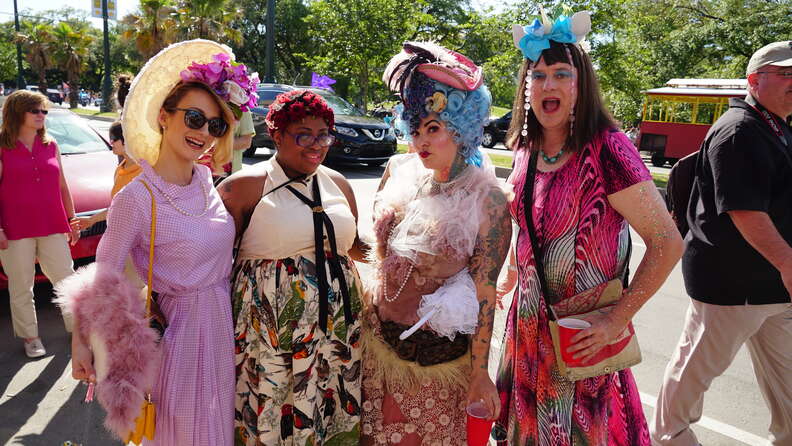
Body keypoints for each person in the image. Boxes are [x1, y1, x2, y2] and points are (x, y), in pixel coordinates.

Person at [493, 12, 683, 445]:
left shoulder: (607, 149)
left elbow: (667, 242)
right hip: (528, 335)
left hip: (581, 339)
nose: (548, 85)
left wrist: (617, 319)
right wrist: (510, 274)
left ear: (582, 85)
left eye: (562, 73)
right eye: (537, 75)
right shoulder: (526, 150)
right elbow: (529, 230)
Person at [59, 40, 258, 445]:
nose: (203, 132)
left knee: (215, 429)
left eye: (215, 125)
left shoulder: (206, 181)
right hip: (178, 336)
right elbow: (104, 274)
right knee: (181, 433)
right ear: (164, 117)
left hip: (222, 328)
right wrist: (81, 343)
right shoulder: (136, 197)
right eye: (194, 118)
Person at [359, 42, 511, 446]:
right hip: (376, 350)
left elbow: (485, 295)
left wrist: (480, 373)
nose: (421, 140)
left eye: (434, 128)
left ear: (461, 128)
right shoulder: (404, 173)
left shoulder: (487, 201)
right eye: (416, 127)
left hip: (433, 369)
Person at [651, 40, 792, 446]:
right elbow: (745, 211)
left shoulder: (777, 127)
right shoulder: (739, 130)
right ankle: (669, 439)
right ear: (754, 80)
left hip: (774, 289)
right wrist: (788, 263)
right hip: (731, 288)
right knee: (686, 386)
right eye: (785, 74)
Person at [218, 89, 366, 445]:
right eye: (303, 134)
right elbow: (212, 263)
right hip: (271, 336)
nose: (316, 145)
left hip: (339, 332)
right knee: (274, 417)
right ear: (277, 134)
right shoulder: (244, 188)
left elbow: (355, 248)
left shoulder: (338, 183)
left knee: (331, 411)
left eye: (323, 135)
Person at [0, 89, 79, 358]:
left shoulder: (51, 145)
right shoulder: (2, 146)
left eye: (44, 110)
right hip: (15, 228)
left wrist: (72, 219)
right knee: (21, 285)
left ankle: (78, 332)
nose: (41, 115)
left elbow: (62, 186)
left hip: (53, 224)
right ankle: (31, 337)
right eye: (35, 110)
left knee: (66, 279)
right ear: (16, 113)